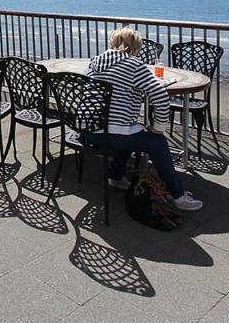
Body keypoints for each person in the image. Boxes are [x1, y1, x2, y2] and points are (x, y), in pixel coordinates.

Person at [84, 27, 203, 211]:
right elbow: (161, 96)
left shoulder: (94, 63)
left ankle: (115, 177)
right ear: (135, 47)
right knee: (157, 142)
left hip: (88, 130)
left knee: (129, 129)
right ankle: (178, 195)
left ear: (113, 44)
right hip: (111, 133)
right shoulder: (133, 65)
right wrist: (158, 128)